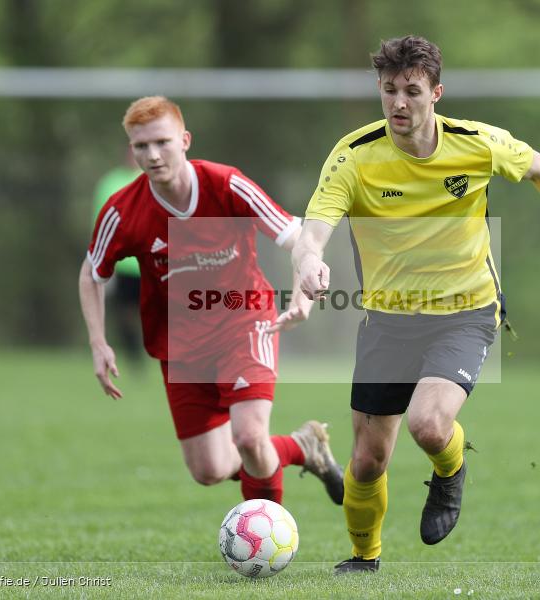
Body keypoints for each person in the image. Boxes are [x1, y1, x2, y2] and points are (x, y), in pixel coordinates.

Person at [287, 36, 540, 573]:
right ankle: (364, 559)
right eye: (389, 91)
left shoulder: (476, 144)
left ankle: (450, 473)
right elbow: (314, 229)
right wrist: (309, 260)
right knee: (366, 460)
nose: (399, 103)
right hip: (387, 320)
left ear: (437, 92)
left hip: (466, 311)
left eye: (412, 90)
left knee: (428, 425)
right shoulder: (354, 156)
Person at [78, 96, 344, 506]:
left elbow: (296, 235)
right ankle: (301, 447)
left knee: (249, 437)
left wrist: (305, 287)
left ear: (185, 140)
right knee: (210, 470)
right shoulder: (124, 210)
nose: (152, 154)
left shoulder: (226, 185)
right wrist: (98, 343)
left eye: (162, 142)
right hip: (180, 342)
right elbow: (92, 273)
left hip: (245, 320)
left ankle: (267, 543)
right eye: (141, 146)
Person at [91, 152, 142, 365]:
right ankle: (134, 353)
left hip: (151, 262)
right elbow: (99, 220)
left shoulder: (151, 179)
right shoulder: (109, 182)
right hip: (123, 264)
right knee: (126, 312)